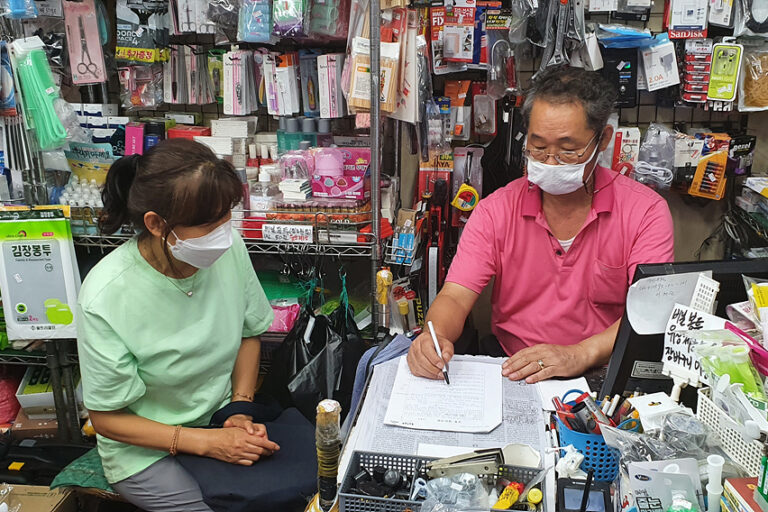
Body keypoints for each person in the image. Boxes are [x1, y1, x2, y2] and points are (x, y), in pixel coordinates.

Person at [407, 66, 674, 384]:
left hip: (601, 369)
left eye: (568, 150)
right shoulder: (496, 210)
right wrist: (432, 339)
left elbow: (650, 311)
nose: (549, 162)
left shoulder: (645, 212)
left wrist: (579, 354)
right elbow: (454, 296)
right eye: (538, 147)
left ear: (602, 139)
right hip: (514, 367)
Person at [77, 139, 279, 512]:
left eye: (226, 218)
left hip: (219, 420)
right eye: (207, 224)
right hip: (143, 451)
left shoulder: (228, 249)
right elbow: (107, 419)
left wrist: (238, 409)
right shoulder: (106, 296)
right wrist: (206, 443)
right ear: (156, 224)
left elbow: (250, 332)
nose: (223, 234)